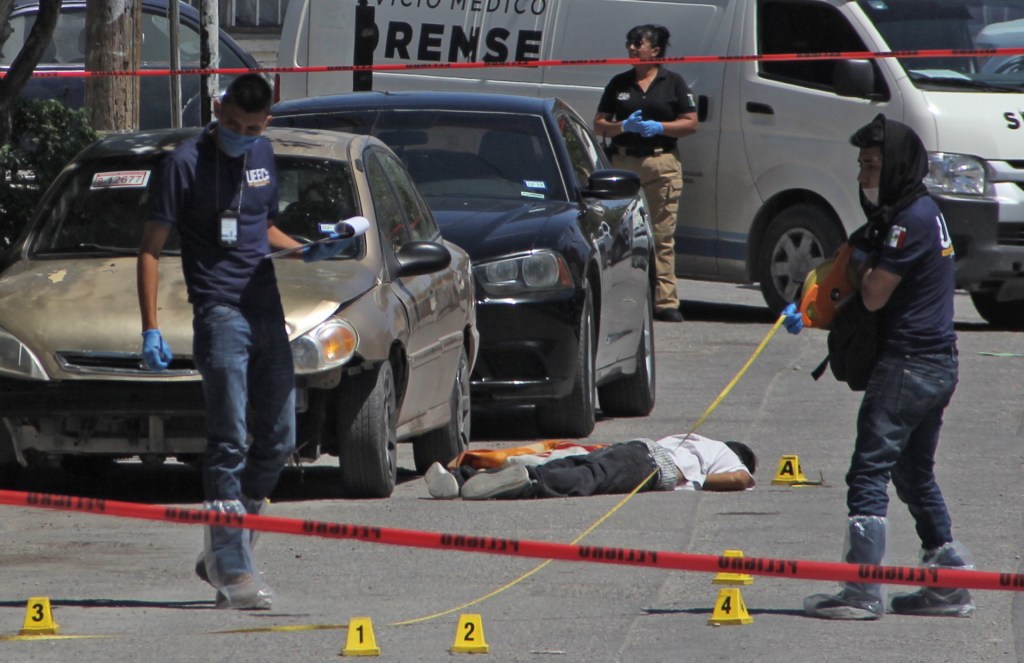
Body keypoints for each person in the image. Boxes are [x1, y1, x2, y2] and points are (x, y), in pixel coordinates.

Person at [137, 73, 347, 610]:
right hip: (220, 311)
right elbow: (150, 249)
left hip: (265, 309)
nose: (239, 133)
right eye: (231, 123)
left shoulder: (264, 154)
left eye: (250, 127)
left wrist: (305, 249)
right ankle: (232, 565)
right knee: (229, 436)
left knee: (279, 436)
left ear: (266, 124)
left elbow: (262, 227)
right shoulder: (183, 164)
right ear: (217, 106)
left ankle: (227, 549)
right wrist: (152, 326)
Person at [784, 114, 974, 620]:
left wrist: (857, 261)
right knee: (914, 475)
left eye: (872, 166)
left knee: (867, 472)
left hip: (910, 365)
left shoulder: (909, 220)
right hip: (935, 364)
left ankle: (862, 589)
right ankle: (948, 581)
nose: (864, 176)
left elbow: (871, 297)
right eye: (861, 166)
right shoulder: (915, 212)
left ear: (897, 167)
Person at [594, 24, 698, 323]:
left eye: (637, 44)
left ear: (655, 50)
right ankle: (616, 298)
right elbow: (599, 125)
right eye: (629, 43)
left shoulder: (673, 82)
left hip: (660, 164)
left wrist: (660, 128)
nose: (631, 48)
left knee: (661, 236)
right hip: (623, 164)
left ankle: (664, 301)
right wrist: (622, 126)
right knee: (617, 235)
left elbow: (690, 123)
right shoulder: (619, 83)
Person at [423, 433, 756, 500]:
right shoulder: (729, 454)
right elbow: (741, 480)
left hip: (635, 446)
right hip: (651, 465)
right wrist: (700, 483)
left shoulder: (696, 438)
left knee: (573, 461)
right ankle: (527, 484)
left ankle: (459, 478)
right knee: (588, 478)